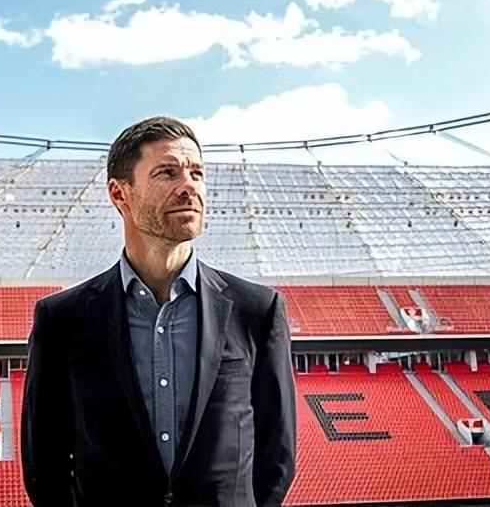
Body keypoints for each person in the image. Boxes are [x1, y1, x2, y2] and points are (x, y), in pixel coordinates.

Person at [21, 116, 297, 506]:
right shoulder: (62, 320)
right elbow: (43, 464)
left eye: (197, 173)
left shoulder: (257, 310)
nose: (189, 186)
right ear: (120, 193)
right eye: (167, 172)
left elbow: (277, 457)